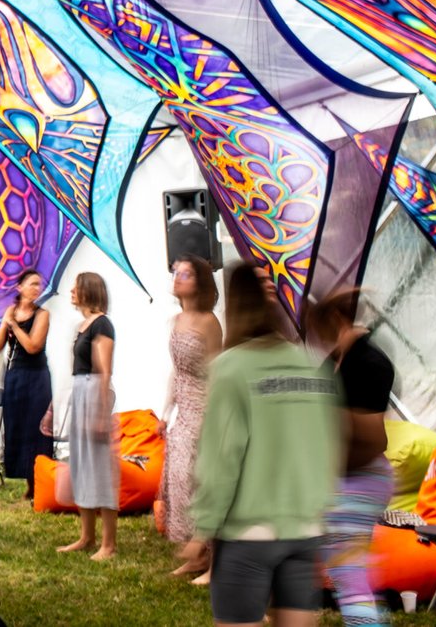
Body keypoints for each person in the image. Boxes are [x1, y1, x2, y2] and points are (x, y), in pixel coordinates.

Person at [182, 262, 339, 627]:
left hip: (249, 535)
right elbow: (327, 447)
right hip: (304, 530)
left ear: (233, 305)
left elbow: (221, 459)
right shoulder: (308, 364)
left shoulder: (229, 369)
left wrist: (203, 528)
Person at [309, 289, 395, 627]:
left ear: (335, 318)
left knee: (350, 575)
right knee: (349, 572)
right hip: (346, 478)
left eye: (319, 326)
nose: (317, 336)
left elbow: (374, 439)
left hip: (361, 478)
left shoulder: (369, 363)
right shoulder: (338, 359)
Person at [161, 256, 222, 583]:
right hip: (183, 410)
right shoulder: (177, 319)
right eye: (176, 271)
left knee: (202, 481)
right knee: (180, 478)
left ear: (200, 282)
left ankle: (215, 561)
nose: (178, 277)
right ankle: (197, 555)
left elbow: (216, 373)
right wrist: (165, 412)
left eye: (185, 273)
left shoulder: (209, 322)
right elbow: (176, 371)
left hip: (204, 409)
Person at [58, 271, 118, 561]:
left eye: (76, 287)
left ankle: (109, 544)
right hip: (81, 392)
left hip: (95, 393)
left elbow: (104, 371)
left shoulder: (102, 324)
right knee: (81, 465)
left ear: (89, 291)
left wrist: (100, 414)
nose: (71, 291)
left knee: (101, 468)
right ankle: (86, 536)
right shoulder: (82, 326)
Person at [0, 268, 52, 501]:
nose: (37, 288)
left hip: (36, 377)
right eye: (33, 284)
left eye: (39, 284)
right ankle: (23, 475)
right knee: (17, 426)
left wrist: (15, 326)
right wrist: (5, 324)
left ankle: (37, 482)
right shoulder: (11, 311)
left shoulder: (43, 314)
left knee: (35, 428)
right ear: (20, 287)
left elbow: (33, 346)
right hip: (14, 375)